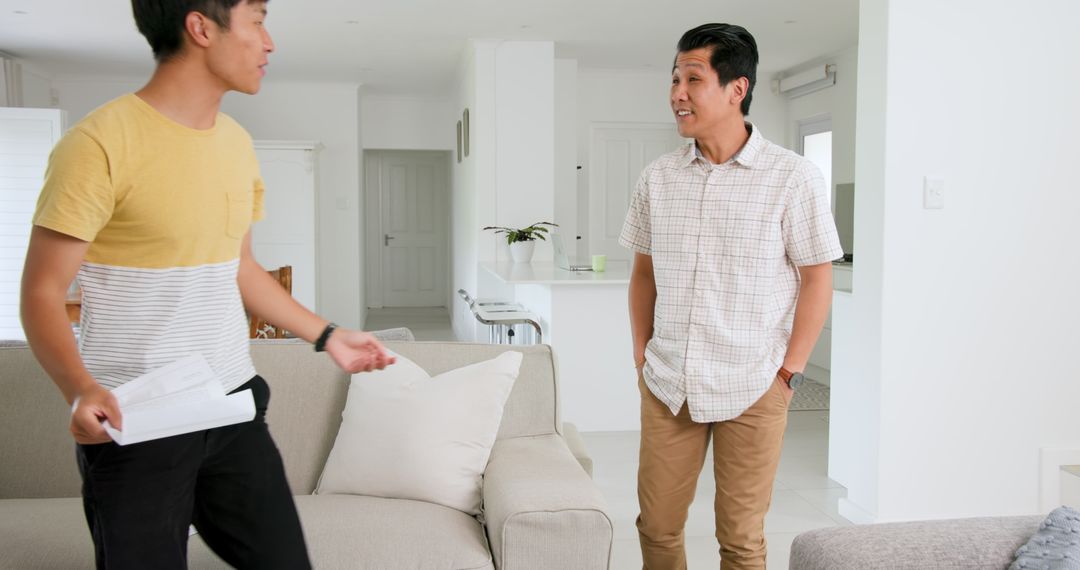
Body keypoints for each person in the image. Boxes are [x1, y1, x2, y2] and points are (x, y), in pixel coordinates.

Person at [18, 1, 394, 568]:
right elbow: (42, 293)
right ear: (200, 27)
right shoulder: (97, 144)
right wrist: (80, 388)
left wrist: (328, 335)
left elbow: (239, 267)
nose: (270, 43)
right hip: (136, 419)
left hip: (231, 403)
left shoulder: (236, 144)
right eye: (258, 20)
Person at [619, 23, 843, 570]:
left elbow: (818, 278)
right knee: (656, 527)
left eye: (692, 78)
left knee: (741, 542)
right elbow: (643, 273)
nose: (677, 93)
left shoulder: (794, 177)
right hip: (670, 383)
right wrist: (642, 354)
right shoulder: (657, 179)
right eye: (674, 78)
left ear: (736, 88)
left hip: (755, 383)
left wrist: (788, 373)